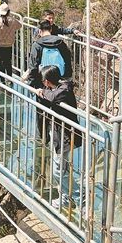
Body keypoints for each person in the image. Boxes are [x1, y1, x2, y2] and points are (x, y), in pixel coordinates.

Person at [37, 64, 83, 210]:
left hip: (66, 136)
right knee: (61, 168)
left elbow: (53, 97)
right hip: (58, 134)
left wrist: (42, 92)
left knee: (58, 170)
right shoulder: (55, 88)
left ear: (46, 81)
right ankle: (65, 198)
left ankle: (80, 197)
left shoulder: (64, 89)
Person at [0, 3, 18, 83]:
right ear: (8, 12)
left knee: (1, 63)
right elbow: (19, 25)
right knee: (8, 62)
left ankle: (2, 80)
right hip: (9, 45)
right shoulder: (13, 21)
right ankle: (10, 79)